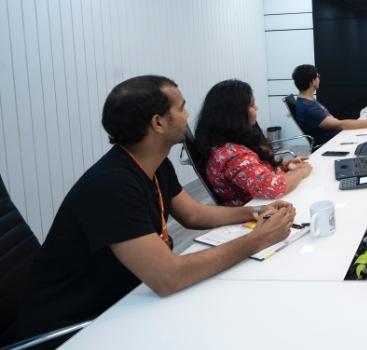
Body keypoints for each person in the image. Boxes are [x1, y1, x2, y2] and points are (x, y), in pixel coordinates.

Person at [12, 76, 296, 342]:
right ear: (158, 123)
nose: (188, 116)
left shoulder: (155, 163)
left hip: (130, 298)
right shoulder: (111, 187)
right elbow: (168, 277)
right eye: (182, 108)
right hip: (77, 326)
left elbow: (194, 214)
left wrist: (256, 213)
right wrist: (258, 239)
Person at [193, 79, 312, 207]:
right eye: (252, 105)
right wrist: (300, 172)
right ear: (235, 114)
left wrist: (283, 165)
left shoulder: (230, 143)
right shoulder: (233, 156)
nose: (256, 108)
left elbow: (254, 170)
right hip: (255, 214)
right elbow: (274, 187)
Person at [292, 64, 367, 146]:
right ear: (313, 81)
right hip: (333, 142)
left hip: (337, 137)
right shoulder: (308, 107)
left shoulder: (307, 101)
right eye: (318, 76)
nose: (319, 78)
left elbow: (333, 121)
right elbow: (339, 125)